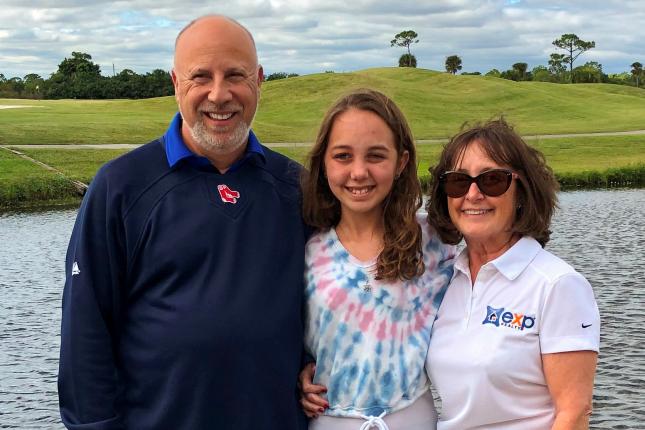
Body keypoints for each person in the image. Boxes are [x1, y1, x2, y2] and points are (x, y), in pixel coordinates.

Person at [58, 15, 307, 429]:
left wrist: (317, 363)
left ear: (259, 79)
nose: (219, 93)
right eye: (200, 77)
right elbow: (86, 332)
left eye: (235, 75)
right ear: (176, 83)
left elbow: (335, 297)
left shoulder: (297, 188)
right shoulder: (120, 186)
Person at [425, 118, 600, 429]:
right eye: (458, 182)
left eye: (492, 180)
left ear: (522, 191)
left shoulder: (558, 286)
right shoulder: (446, 278)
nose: (473, 194)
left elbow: (573, 414)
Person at [299, 89, 455, 429]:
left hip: (412, 417)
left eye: (375, 156)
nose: (358, 172)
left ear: (400, 162)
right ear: (323, 163)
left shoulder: (436, 243)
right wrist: (296, 373)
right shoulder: (305, 252)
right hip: (329, 419)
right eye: (342, 156)